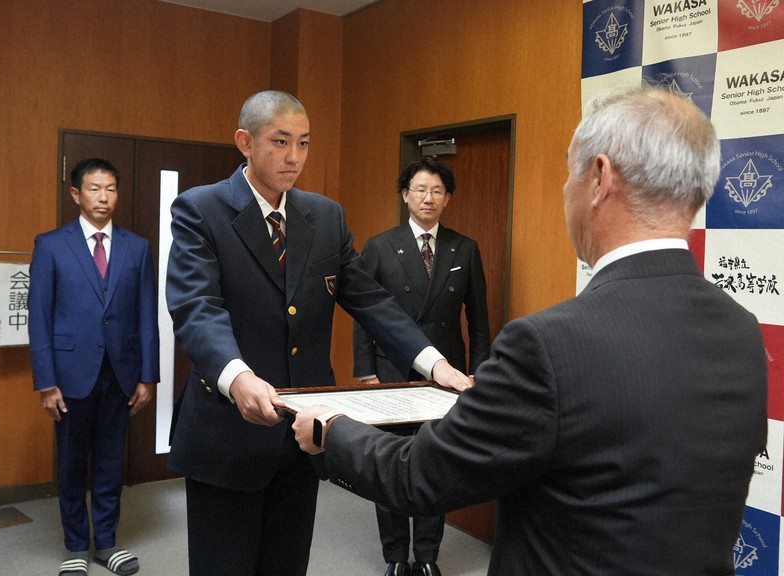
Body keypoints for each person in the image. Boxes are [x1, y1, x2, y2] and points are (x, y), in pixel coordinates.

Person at [292, 86, 769, 575]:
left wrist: (332, 429)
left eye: (569, 173)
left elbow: (420, 477)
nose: (566, 191)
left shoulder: (549, 346)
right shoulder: (744, 333)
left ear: (600, 178)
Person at [164, 89, 472, 576]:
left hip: (304, 432)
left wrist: (435, 364)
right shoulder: (201, 210)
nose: (294, 157)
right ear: (244, 141)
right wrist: (237, 376)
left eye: (304, 143)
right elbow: (197, 309)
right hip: (228, 431)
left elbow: (370, 300)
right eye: (280, 141)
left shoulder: (323, 216)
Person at [352, 158, 490, 576]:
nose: (428, 198)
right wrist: (364, 371)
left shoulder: (463, 248)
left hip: (447, 375)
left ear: (447, 199)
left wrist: (478, 372)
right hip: (389, 372)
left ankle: (427, 556)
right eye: (420, 189)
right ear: (405, 195)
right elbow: (364, 312)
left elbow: (478, 319)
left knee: (436, 463)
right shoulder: (379, 246)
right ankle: (395, 556)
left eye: (437, 191)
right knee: (390, 462)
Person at [29, 158, 160, 576]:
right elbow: (39, 318)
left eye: (110, 189)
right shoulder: (51, 245)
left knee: (109, 461)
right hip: (69, 376)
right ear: (76, 194)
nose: (103, 198)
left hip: (120, 373)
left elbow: (146, 316)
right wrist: (46, 382)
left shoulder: (136, 247)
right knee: (70, 462)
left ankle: (106, 542)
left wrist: (148, 375)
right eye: (94, 189)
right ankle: (74, 546)